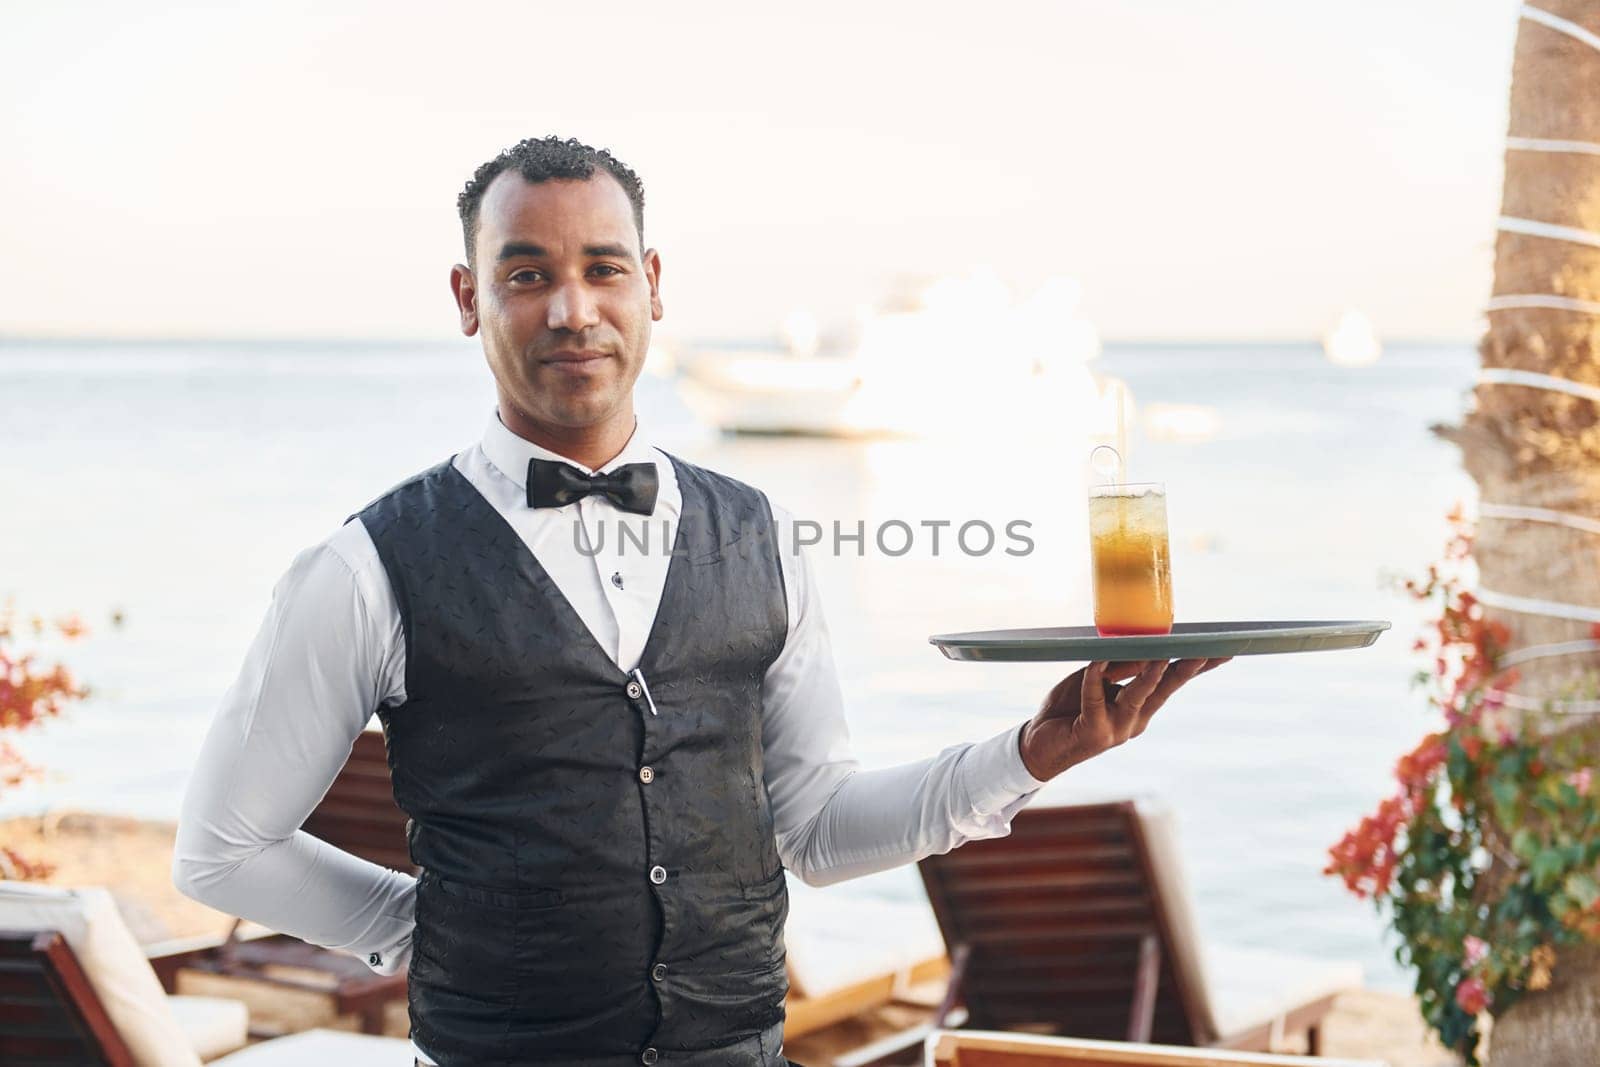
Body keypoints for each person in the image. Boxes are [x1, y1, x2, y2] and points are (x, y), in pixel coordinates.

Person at [173, 136, 1229, 1067]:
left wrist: (1029, 754)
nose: (572, 308)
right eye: (527, 272)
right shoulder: (364, 565)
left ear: (653, 284)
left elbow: (813, 828)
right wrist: (426, 929)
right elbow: (222, 844)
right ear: (467, 298)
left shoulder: (760, 534)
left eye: (602, 268)